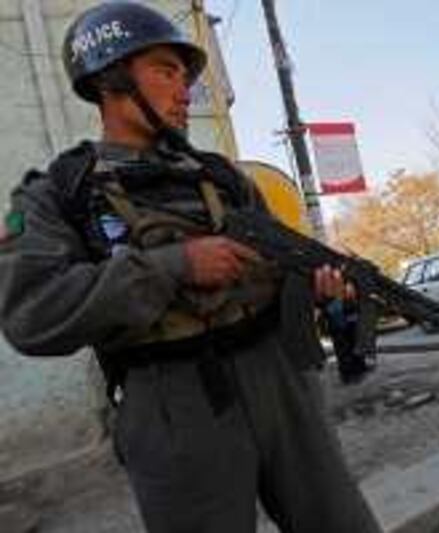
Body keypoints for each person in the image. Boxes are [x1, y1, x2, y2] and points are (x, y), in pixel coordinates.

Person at [0, 3, 382, 532]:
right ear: (111, 80)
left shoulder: (223, 177)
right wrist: (174, 266)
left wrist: (318, 289)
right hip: (171, 400)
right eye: (166, 71)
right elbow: (33, 315)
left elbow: (280, 271)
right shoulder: (58, 193)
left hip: (280, 376)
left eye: (186, 75)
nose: (186, 91)